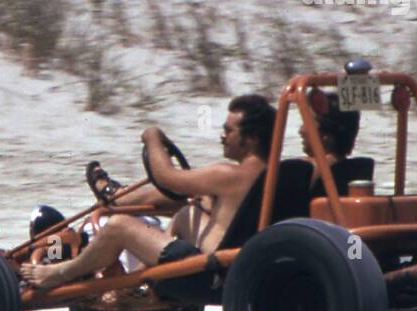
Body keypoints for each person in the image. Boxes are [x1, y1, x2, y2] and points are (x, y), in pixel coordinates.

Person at [20, 95, 276, 289]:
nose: (222, 136)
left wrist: (153, 138)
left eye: (229, 131)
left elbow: (166, 177)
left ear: (251, 138)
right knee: (192, 206)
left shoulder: (230, 175)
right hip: (238, 268)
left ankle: (61, 272)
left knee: (118, 225)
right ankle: (119, 203)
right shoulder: (274, 174)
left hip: (207, 274)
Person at [300, 91, 361, 188]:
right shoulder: (356, 168)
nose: (301, 130)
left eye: (306, 123)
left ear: (326, 136)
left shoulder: (304, 171)